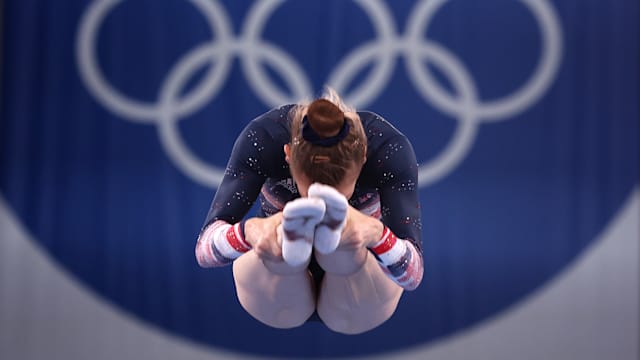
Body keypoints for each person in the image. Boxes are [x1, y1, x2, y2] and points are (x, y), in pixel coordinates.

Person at [195, 88, 423, 334]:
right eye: (310, 190)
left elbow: (413, 273)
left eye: (337, 192)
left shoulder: (387, 148)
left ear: (364, 157)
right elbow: (204, 250)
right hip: (278, 286)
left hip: (356, 285)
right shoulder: (263, 138)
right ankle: (288, 245)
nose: (319, 199)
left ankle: (338, 242)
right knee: (276, 254)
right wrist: (250, 231)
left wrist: (375, 233)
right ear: (288, 155)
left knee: (348, 255)